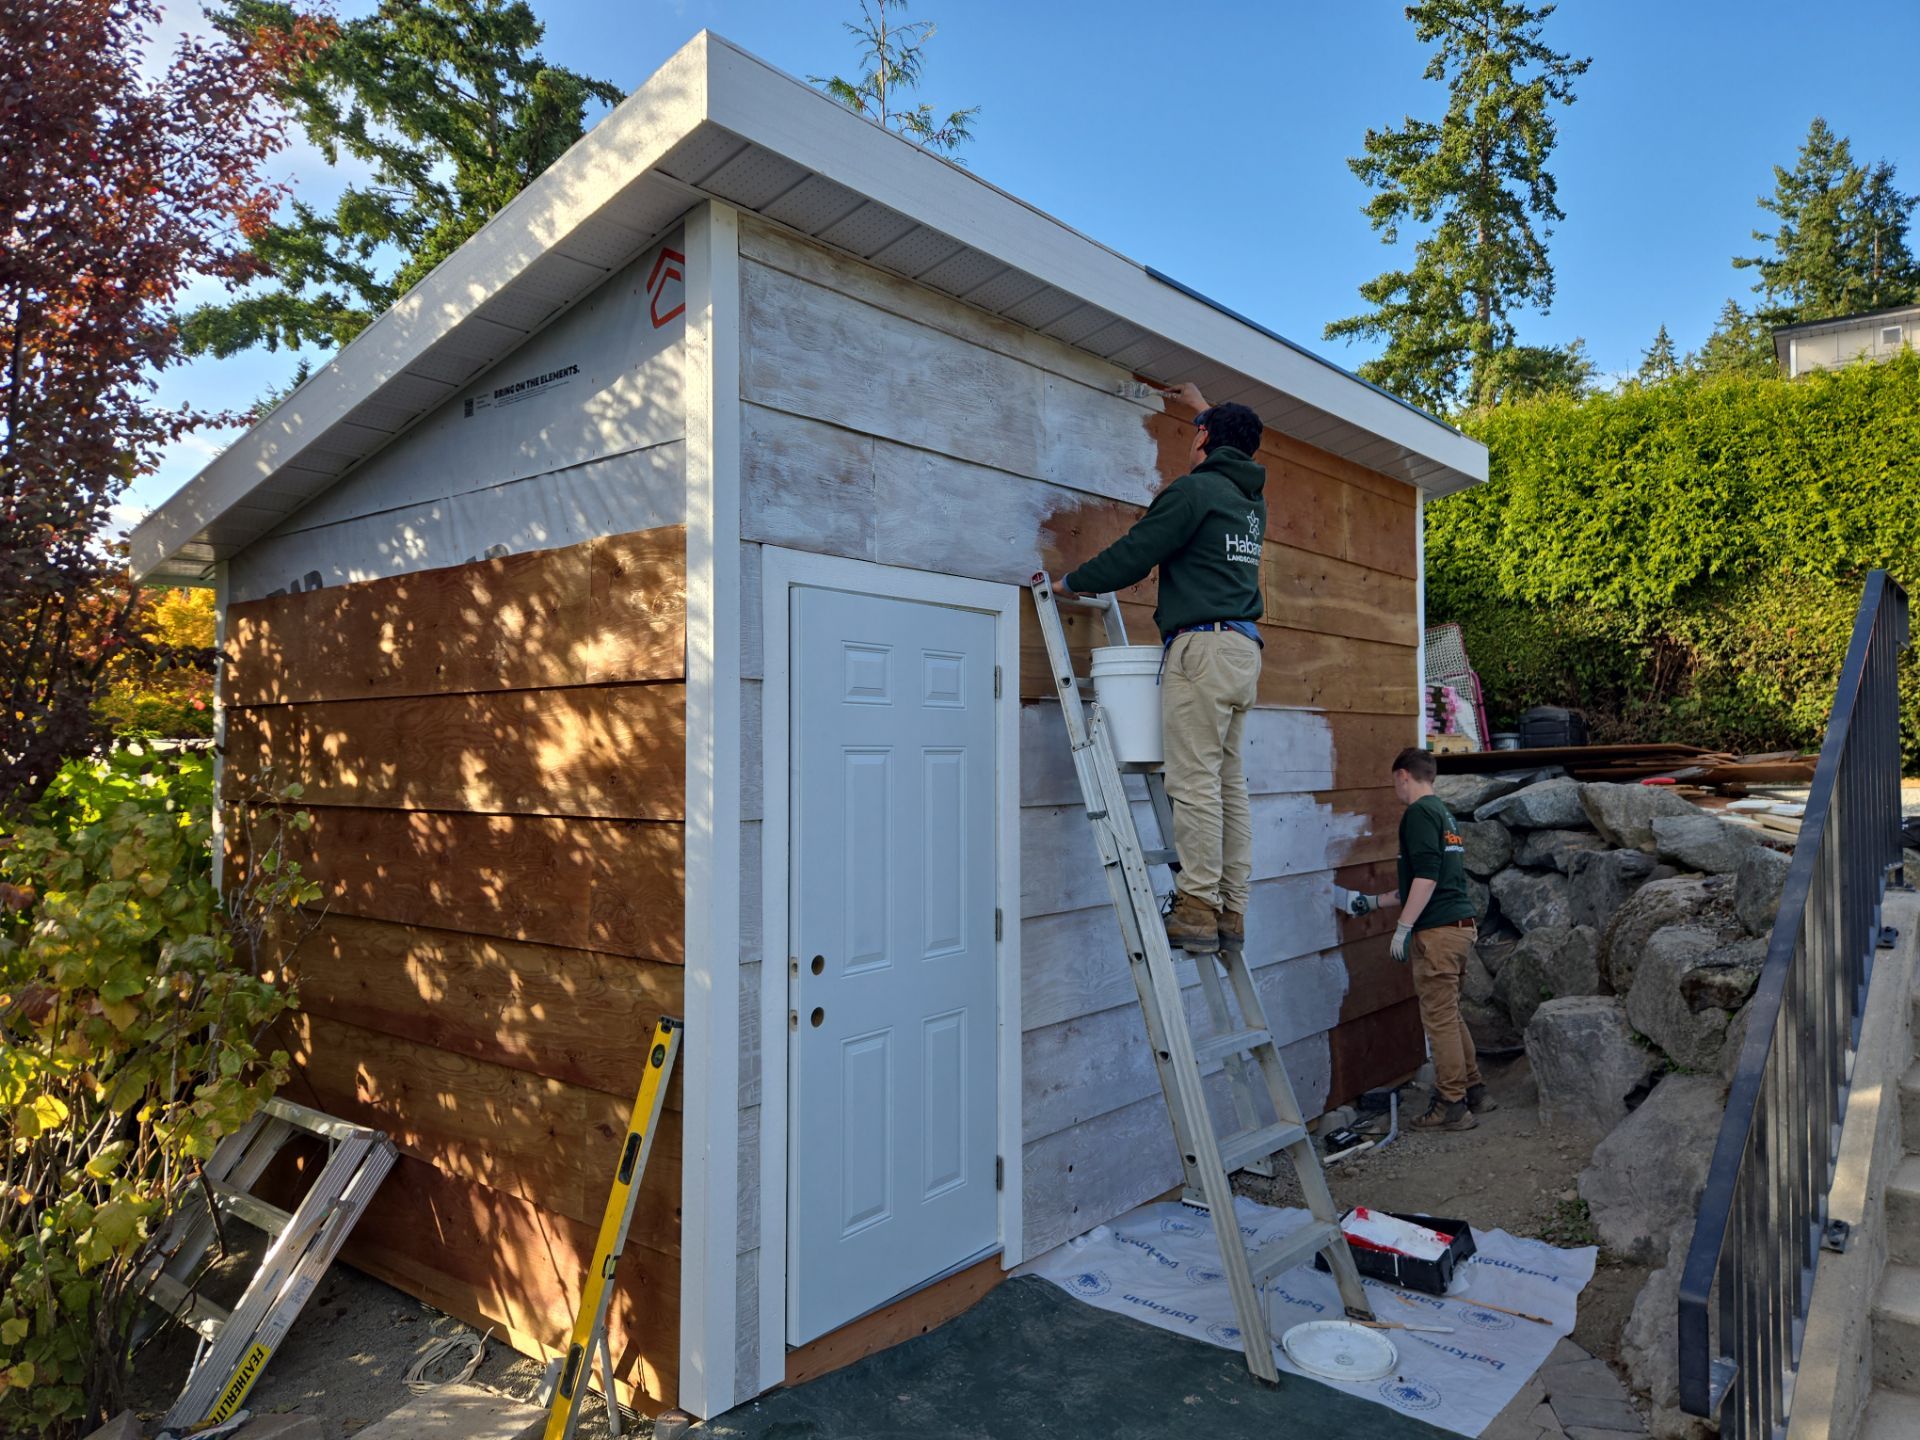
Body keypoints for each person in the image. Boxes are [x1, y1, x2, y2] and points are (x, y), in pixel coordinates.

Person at [1057, 383, 1266, 956]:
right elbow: (1229, 438)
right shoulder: (1250, 500)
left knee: (1193, 783)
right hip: (1242, 650)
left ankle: (1196, 907)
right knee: (1227, 786)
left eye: (1197, 432)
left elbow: (1137, 552)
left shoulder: (1195, 492)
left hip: (1202, 649)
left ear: (1203, 439)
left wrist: (1073, 582)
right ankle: (1229, 908)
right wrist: (1204, 407)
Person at [1340, 747, 1492, 1132]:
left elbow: (1426, 878)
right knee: (1449, 1014)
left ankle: (1452, 1104)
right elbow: (1418, 883)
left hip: (1438, 932)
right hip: (1458, 927)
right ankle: (1474, 1089)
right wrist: (1373, 902)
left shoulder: (1418, 814)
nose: (1395, 789)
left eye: (1395, 781)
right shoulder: (1443, 814)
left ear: (1403, 775)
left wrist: (1404, 927)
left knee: (1439, 1020)